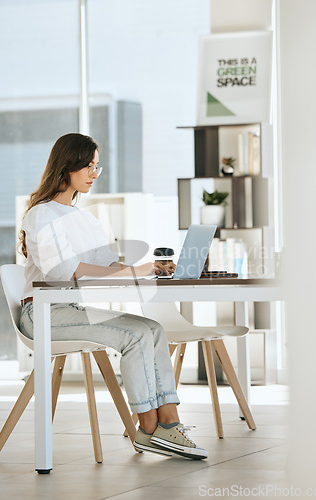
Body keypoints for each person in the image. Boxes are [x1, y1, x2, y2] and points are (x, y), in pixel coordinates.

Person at [18, 133, 208, 460]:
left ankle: (169, 425)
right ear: (67, 167)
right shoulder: (41, 215)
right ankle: (148, 430)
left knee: (153, 329)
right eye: (88, 166)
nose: (94, 173)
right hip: (43, 314)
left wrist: (147, 269)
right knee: (135, 335)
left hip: (71, 310)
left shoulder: (85, 217)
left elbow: (107, 265)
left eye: (96, 167)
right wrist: (136, 272)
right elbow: (65, 271)